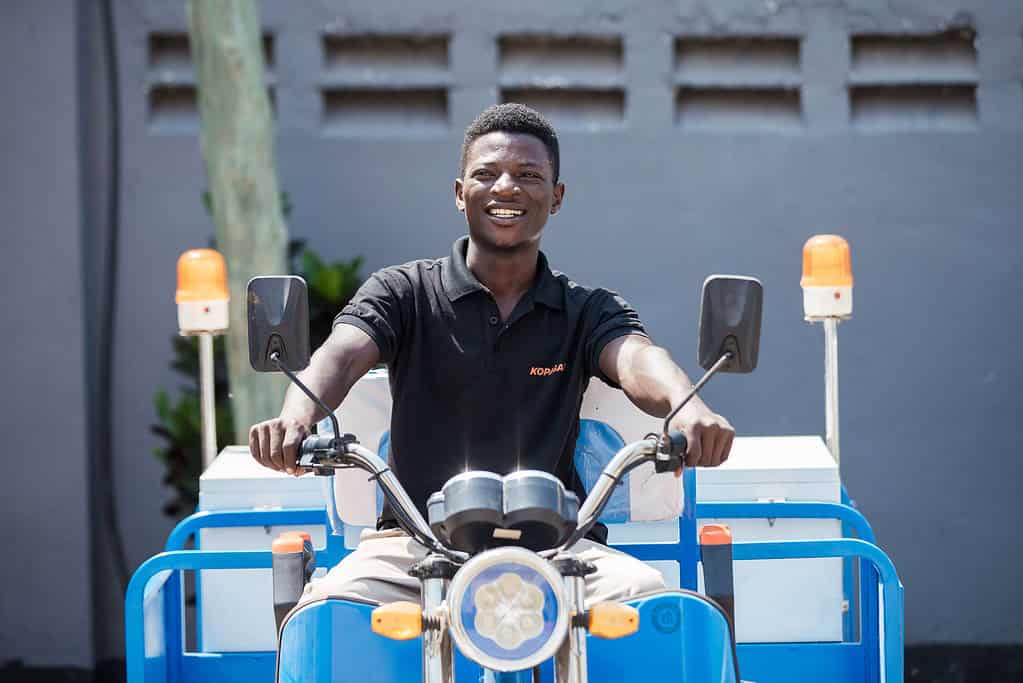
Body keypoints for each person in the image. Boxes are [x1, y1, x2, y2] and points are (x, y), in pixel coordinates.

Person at [248, 103, 735, 606]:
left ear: (557, 196)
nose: (506, 187)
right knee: (333, 607)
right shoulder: (402, 291)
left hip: (559, 549)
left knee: (645, 598)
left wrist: (688, 406)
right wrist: (296, 415)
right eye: (486, 174)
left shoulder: (586, 308)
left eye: (529, 175)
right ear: (460, 194)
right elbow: (343, 353)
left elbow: (636, 358)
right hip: (413, 548)